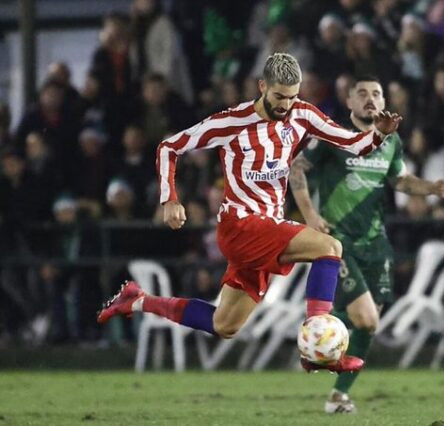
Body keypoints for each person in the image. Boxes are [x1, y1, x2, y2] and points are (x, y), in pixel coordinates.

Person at [97, 53, 401, 373]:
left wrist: (378, 134)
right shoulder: (232, 122)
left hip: (268, 226)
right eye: (279, 96)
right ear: (262, 86)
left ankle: (137, 300)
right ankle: (317, 347)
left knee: (225, 324)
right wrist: (170, 199)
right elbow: (169, 147)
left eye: (293, 96)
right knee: (330, 247)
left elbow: (353, 144)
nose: (286, 105)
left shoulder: (302, 114)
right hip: (239, 225)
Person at [289, 75, 444, 413]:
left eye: (376, 93)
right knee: (366, 319)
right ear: (349, 102)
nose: (370, 99)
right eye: (361, 93)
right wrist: (310, 216)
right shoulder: (332, 137)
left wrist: (432, 188)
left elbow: (401, 181)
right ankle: (317, 339)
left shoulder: (390, 142)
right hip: (338, 240)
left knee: (369, 322)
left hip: (376, 243)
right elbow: (296, 169)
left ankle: (336, 390)